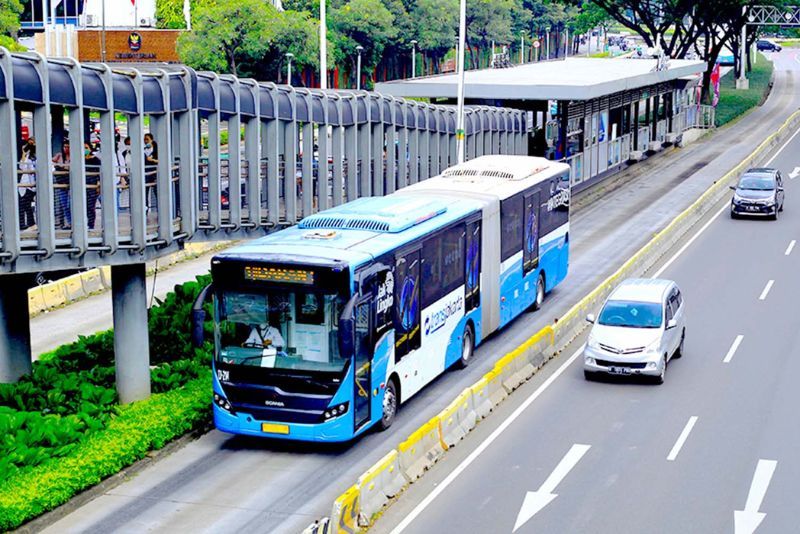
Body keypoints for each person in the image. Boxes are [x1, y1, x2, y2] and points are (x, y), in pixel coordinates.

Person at [18, 139, 37, 230]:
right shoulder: (27, 156)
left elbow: (26, 167)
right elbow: (22, 166)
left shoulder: (35, 157)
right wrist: (24, 154)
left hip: (33, 184)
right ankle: (27, 224)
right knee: (24, 204)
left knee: (26, 203)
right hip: (26, 184)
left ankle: (31, 224)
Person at [52, 141, 71, 229]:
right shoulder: (59, 155)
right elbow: (51, 161)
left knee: (70, 204)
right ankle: (69, 222)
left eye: (68, 147)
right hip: (62, 183)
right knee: (64, 204)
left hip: (71, 183)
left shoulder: (74, 155)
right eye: (64, 147)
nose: (66, 149)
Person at [84, 142, 101, 230]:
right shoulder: (79, 159)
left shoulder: (96, 160)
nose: (85, 150)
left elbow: (99, 172)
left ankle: (91, 225)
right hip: (82, 185)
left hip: (92, 186)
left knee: (90, 206)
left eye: (86, 147)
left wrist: (98, 185)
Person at [144, 133, 158, 210]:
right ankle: (145, 210)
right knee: (144, 193)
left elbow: (161, 160)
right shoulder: (144, 150)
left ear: (151, 140)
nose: (145, 141)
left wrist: (152, 160)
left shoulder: (156, 149)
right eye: (144, 139)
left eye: (147, 139)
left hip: (154, 173)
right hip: (146, 174)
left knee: (157, 192)